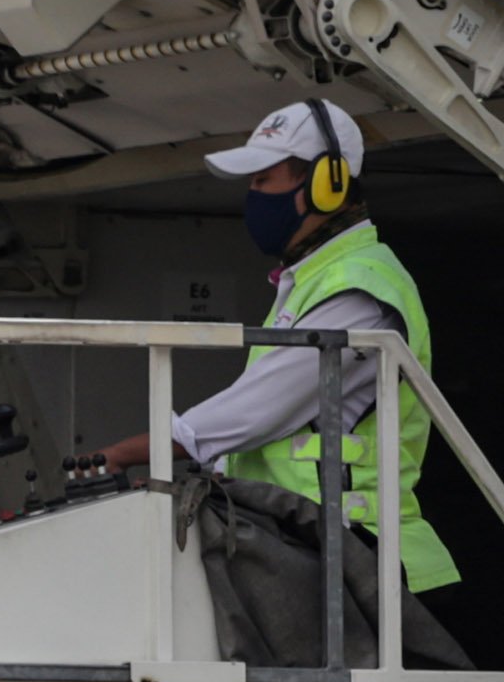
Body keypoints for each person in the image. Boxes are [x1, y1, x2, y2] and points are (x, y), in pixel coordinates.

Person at [93, 97, 457, 594]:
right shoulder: (316, 280)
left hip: (369, 569)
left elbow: (256, 411)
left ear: (328, 186)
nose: (254, 197)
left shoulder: (358, 289)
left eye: (265, 180)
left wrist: (126, 452)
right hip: (314, 554)